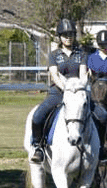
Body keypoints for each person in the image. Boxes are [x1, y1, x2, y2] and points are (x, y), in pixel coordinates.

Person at [29, 18, 87, 163]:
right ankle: (38, 146)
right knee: (37, 116)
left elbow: (82, 73)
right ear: (60, 37)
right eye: (65, 35)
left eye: (71, 34)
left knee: (101, 114)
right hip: (58, 92)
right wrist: (66, 88)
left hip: (77, 93)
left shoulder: (81, 54)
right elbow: (54, 75)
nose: (68, 37)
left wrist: (77, 89)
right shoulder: (54, 55)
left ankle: (101, 149)